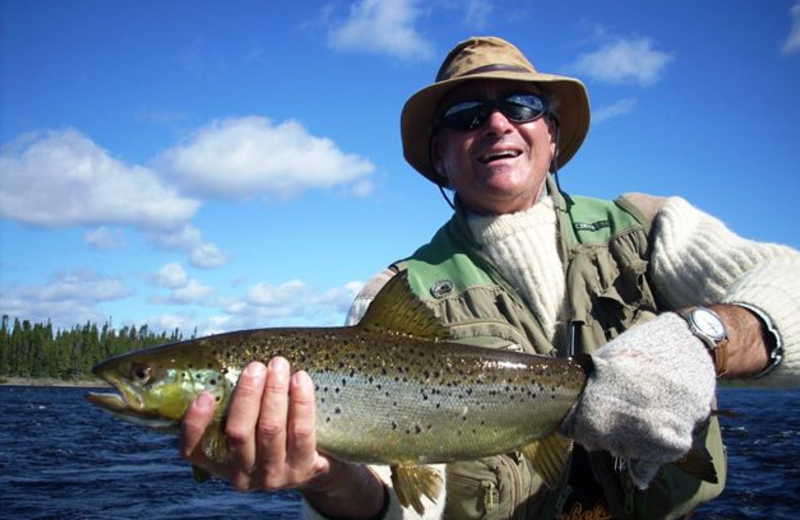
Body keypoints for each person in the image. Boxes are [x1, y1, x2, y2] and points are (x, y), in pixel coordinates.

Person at [179, 36, 800, 520]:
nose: (498, 123)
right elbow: (403, 503)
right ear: (441, 160)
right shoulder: (396, 293)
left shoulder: (647, 226)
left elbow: (786, 284)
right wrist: (327, 476)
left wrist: (707, 337)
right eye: (469, 114)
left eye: (522, 105)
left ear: (551, 136)